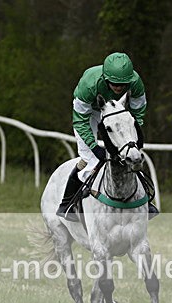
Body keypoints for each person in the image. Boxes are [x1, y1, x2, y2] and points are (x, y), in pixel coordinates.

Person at [57, 52, 157, 221]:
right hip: (89, 113)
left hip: (118, 113)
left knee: (130, 155)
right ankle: (67, 204)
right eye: (114, 83)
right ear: (105, 78)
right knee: (91, 160)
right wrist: (94, 147)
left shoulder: (136, 83)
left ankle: (145, 199)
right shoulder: (89, 84)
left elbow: (137, 114)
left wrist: (133, 137)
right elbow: (80, 120)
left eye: (123, 84)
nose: (118, 87)